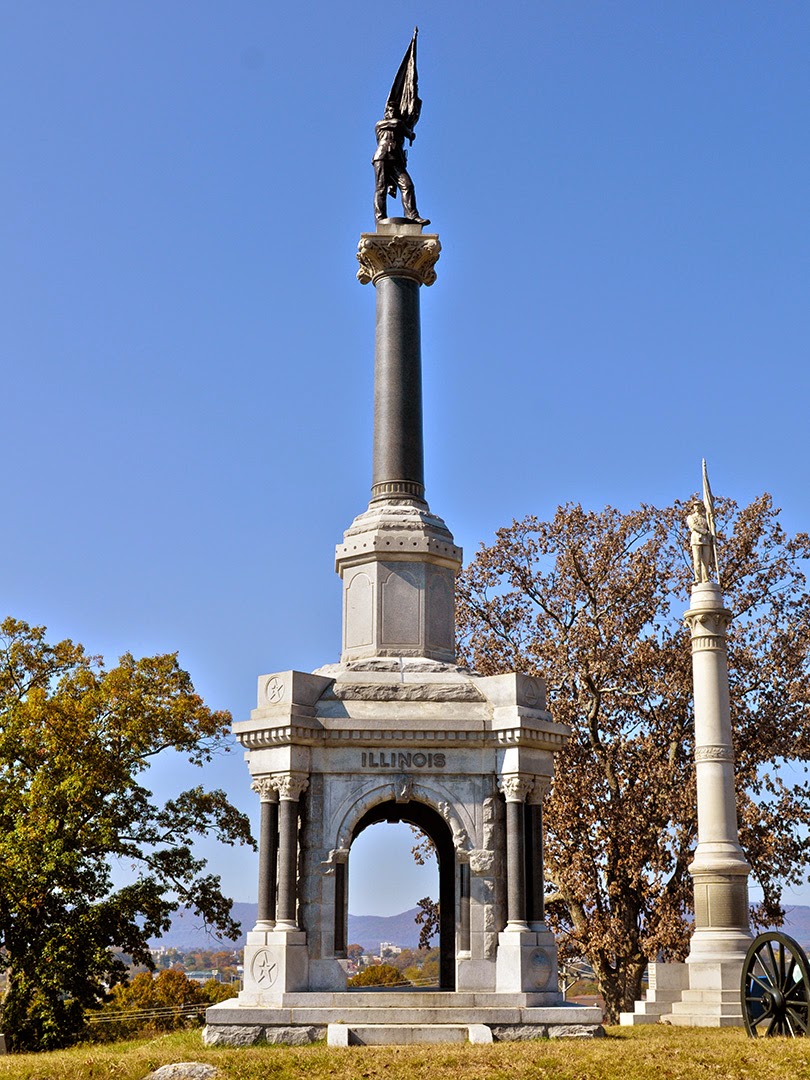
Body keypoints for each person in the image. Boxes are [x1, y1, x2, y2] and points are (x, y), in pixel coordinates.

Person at [373, 102, 429, 225]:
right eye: (390, 111)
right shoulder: (381, 124)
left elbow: (404, 129)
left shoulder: (399, 125)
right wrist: (408, 131)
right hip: (382, 157)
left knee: (408, 185)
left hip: (396, 159)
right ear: (386, 113)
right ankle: (380, 218)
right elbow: (397, 124)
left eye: (394, 111)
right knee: (380, 188)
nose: (391, 113)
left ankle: (412, 215)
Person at [687, 503, 714, 583]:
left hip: (706, 541)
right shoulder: (690, 517)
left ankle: (706, 578)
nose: (697, 507)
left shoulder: (705, 518)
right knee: (697, 561)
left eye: (699, 505)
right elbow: (694, 526)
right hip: (696, 540)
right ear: (693, 507)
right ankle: (698, 579)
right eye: (695, 505)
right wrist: (706, 532)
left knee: (706, 561)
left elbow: (710, 528)